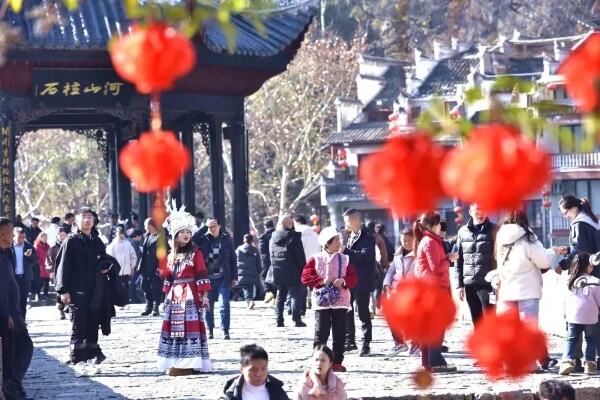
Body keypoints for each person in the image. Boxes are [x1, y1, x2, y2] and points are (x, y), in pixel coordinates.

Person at [493, 210, 556, 372]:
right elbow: (542, 261)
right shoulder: (528, 236)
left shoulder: (500, 237)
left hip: (506, 290)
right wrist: (553, 251)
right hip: (527, 290)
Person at [158, 204, 211, 376]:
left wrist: (204, 297)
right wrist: (165, 297)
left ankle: (190, 362)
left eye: (188, 231)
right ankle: (175, 361)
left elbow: (202, 274)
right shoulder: (172, 255)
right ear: (175, 235)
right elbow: (169, 278)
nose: (186, 234)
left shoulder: (197, 252)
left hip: (190, 294)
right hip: (174, 297)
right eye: (182, 232)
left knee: (190, 328)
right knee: (174, 328)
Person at [55, 207, 108, 371]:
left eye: (90, 217)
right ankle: (78, 361)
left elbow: (105, 260)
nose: (87, 219)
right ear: (76, 221)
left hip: (95, 291)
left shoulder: (97, 241)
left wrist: (107, 268)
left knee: (93, 324)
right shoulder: (71, 241)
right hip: (77, 290)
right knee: (79, 325)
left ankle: (90, 359)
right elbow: (61, 267)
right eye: (84, 216)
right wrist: (63, 290)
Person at [301, 226, 357, 372]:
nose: (340, 242)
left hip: (341, 302)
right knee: (321, 333)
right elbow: (305, 277)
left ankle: (337, 362)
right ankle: (318, 362)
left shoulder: (345, 259)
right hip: (322, 303)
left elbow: (353, 278)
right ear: (328, 243)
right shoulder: (315, 258)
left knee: (339, 333)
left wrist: (343, 281)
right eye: (337, 240)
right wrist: (321, 281)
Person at [413, 211, 459, 373]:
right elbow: (436, 267)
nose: (441, 227)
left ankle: (429, 362)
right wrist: (450, 259)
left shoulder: (430, 241)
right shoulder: (430, 242)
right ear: (433, 225)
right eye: (440, 223)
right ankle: (436, 361)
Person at [0, 217, 34, 400]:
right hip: (6, 314)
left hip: (13, 311)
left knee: (12, 351)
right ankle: (11, 385)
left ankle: (12, 386)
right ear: (2, 234)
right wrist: (6, 315)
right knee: (24, 346)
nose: (13, 236)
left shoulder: (7, 252)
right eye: (11, 233)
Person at [558, 253, 600, 376]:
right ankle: (590, 364)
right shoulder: (595, 281)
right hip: (590, 316)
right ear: (588, 266)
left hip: (573, 315)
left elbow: (565, 300)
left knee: (571, 340)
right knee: (591, 339)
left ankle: (567, 362)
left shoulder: (569, 281)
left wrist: (565, 313)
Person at [455, 203, 497, 325]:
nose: (482, 213)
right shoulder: (462, 232)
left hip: (488, 284)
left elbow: (500, 257)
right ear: (470, 212)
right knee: (477, 322)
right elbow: (459, 260)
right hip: (469, 285)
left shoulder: (495, 229)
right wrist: (459, 285)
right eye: (478, 209)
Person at [341, 209, 375, 356]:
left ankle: (366, 343)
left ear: (355, 221)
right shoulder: (349, 235)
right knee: (347, 310)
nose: (345, 224)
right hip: (349, 280)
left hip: (362, 280)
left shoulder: (367, 236)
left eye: (347, 221)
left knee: (363, 312)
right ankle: (350, 341)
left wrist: (346, 251)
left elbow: (365, 257)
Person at [198, 217, 237, 340]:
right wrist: (204, 228)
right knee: (208, 306)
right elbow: (193, 238)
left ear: (219, 226)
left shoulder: (226, 239)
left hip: (223, 278)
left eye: (214, 226)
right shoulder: (203, 239)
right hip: (207, 279)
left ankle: (225, 330)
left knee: (224, 305)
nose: (212, 228)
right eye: (209, 226)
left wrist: (234, 277)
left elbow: (233, 259)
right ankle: (210, 330)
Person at [383, 227, 418, 356]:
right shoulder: (397, 254)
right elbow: (391, 270)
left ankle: (416, 344)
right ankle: (399, 343)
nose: (406, 243)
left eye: (409, 240)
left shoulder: (419, 255)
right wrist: (387, 283)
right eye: (404, 240)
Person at [269, 215, 307, 328]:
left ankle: (279, 320)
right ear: (290, 224)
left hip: (277, 270)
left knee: (280, 296)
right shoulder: (294, 236)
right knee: (296, 296)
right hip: (293, 271)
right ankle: (297, 319)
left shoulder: (273, 236)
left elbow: (270, 254)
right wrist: (304, 269)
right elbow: (300, 256)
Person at [220, 344, 289, 400]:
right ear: (242, 369)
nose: (259, 374)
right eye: (253, 370)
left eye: (263, 369)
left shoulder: (278, 392)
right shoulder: (231, 395)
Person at [295, 215, 320, 313]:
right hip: (314, 262)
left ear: (297, 222)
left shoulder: (297, 234)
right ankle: (316, 305)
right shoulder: (315, 235)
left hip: (301, 263)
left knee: (302, 286)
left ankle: (302, 309)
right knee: (313, 285)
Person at [106, 225, 137, 305]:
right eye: (119, 233)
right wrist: (111, 268)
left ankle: (125, 301)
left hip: (126, 270)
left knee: (126, 286)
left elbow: (133, 255)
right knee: (117, 286)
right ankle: (118, 301)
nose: (121, 235)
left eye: (122, 233)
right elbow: (109, 257)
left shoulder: (127, 244)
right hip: (116, 270)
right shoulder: (112, 245)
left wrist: (132, 266)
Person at [138, 218, 162, 316]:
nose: (145, 227)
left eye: (146, 225)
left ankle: (156, 307)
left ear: (151, 225)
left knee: (156, 288)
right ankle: (149, 306)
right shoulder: (147, 236)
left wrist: (160, 266)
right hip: (146, 267)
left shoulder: (160, 237)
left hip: (156, 267)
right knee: (145, 286)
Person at [12, 227, 37, 319]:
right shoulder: (9, 247)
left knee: (23, 300)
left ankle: (22, 321)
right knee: (13, 300)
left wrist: (29, 257)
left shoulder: (28, 246)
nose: (22, 240)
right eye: (19, 238)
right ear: (14, 236)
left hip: (24, 278)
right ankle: (15, 321)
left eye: (23, 237)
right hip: (12, 278)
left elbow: (35, 260)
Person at [366, 221, 389, 319]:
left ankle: (363, 308)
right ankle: (373, 308)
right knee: (376, 287)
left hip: (364, 266)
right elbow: (383, 253)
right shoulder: (378, 238)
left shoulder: (363, 237)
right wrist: (385, 265)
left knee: (366, 288)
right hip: (376, 266)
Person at [236, 234, 262, 310]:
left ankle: (249, 301)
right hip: (252, 273)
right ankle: (250, 301)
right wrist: (259, 272)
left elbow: (234, 260)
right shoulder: (255, 250)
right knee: (248, 287)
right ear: (252, 241)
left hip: (241, 273)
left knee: (246, 288)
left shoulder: (238, 249)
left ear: (244, 240)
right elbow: (258, 263)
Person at [48, 227, 68, 319]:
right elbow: (48, 260)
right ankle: (61, 310)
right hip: (58, 274)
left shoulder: (70, 245)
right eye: (61, 235)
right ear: (57, 236)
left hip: (69, 273)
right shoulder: (53, 248)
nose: (62, 237)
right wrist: (51, 271)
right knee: (60, 292)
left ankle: (69, 309)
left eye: (64, 235)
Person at [259, 220, 277, 304]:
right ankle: (275, 295)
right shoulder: (277, 234)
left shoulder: (263, 237)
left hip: (266, 260)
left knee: (264, 276)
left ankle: (269, 292)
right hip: (277, 258)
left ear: (265, 227)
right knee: (276, 276)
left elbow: (262, 251)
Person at [33, 232, 51, 301]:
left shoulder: (47, 246)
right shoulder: (36, 245)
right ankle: (37, 294)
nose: (45, 239)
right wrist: (38, 264)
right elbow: (35, 256)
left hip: (46, 266)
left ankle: (45, 294)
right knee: (39, 281)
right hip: (39, 265)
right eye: (44, 237)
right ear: (40, 238)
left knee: (47, 281)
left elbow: (49, 255)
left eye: (46, 238)